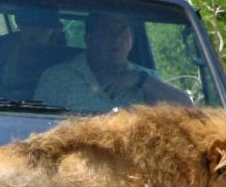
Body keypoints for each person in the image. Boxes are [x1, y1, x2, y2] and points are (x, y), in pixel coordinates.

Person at [33, 12, 192, 112]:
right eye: (107, 31)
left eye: (123, 30)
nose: (116, 38)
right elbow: (36, 127)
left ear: (132, 39)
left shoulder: (146, 78)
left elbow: (188, 109)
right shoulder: (58, 78)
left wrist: (139, 80)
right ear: (89, 38)